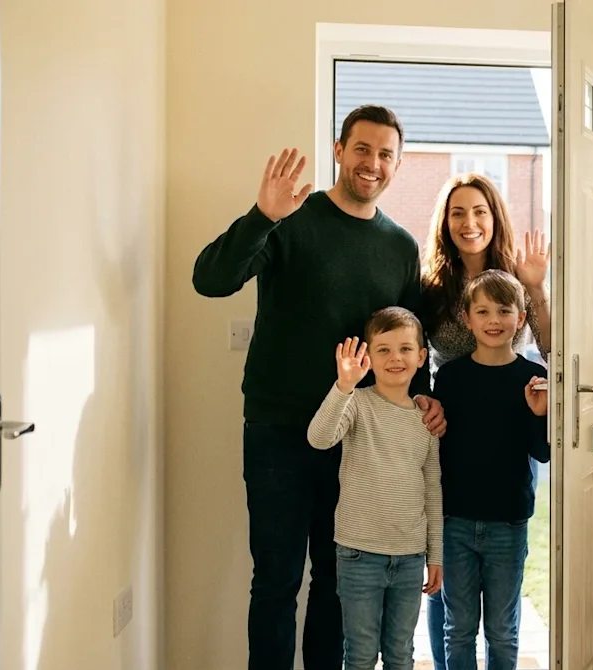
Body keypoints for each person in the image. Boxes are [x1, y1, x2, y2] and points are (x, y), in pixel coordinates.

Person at [191, 104, 446, 670]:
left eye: (385, 154)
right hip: (279, 431)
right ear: (339, 151)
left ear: (397, 165)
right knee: (276, 579)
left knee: (337, 581)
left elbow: (411, 337)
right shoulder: (290, 218)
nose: (372, 163)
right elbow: (210, 279)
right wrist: (262, 215)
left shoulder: (400, 246)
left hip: (359, 441)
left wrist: (423, 397)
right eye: (362, 149)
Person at [417, 173, 551, 669]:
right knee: (450, 609)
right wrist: (424, 401)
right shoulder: (432, 286)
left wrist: (535, 286)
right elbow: (413, 352)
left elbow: (554, 350)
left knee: (500, 625)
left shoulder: (516, 280)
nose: (469, 222)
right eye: (458, 213)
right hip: (453, 426)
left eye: (479, 211)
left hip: (508, 429)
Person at [306, 307, 443, 670]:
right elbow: (319, 438)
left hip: (410, 557)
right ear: (368, 356)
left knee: (400, 654)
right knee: (361, 655)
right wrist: (344, 385)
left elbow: (432, 490)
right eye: (383, 350)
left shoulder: (426, 419)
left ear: (421, 357)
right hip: (359, 555)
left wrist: (436, 555)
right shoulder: (356, 403)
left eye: (405, 349)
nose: (395, 358)